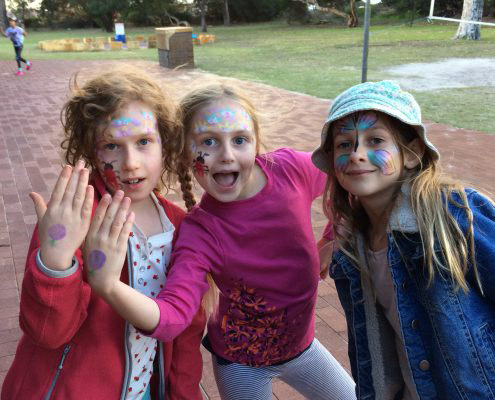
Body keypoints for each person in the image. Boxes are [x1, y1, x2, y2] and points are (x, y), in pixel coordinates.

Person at [85, 84, 357, 400]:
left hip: (303, 348)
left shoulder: (290, 170)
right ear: (185, 153)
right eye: (209, 142)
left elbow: (348, 179)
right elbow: (172, 318)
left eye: (239, 140)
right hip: (242, 365)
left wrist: (332, 240)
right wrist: (108, 286)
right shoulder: (199, 232)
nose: (227, 155)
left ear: (256, 143)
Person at [1, 67, 206, 400]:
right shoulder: (71, 220)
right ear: (91, 153)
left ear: (165, 144)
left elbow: (185, 333)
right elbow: (47, 333)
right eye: (111, 146)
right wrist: (55, 263)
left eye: (143, 142)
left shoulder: (181, 228)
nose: (130, 162)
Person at [311, 80, 495, 399]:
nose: (356, 155)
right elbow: (368, 350)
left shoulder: (453, 215)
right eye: (344, 144)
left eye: (375, 140)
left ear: (411, 154)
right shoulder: (350, 252)